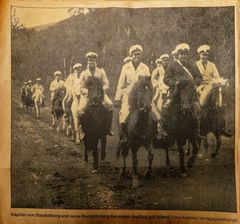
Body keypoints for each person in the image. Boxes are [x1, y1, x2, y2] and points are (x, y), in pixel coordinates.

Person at [164, 43, 202, 136]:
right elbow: (166, 79)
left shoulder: (192, 64)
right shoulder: (172, 65)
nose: (183, 56)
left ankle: (198, 130)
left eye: (185, 54)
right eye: (181, 54)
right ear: (178, 55)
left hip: (190, 92)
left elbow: (199, 77)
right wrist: (174, 83)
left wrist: (194, 83)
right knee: (167, 109)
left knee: (198, 110)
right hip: (177, 91)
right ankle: (166, 130)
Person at [114, 44, 151, 141]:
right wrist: (118, 98)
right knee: (124, 112)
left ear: (141, 55)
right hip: (128, 94)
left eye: (138, 54)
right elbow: (121, 83)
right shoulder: (126, 67)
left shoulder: (145, 67)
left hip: (142, 94)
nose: (136, 56)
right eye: (134, 54)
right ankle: (123, 136)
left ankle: (155, 132)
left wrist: (149, 96)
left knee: (153, 111)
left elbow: (149, 83)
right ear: (131, 56)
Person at [78, 51, 114, 136]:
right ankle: (82, 129)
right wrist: (86, 92)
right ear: (87, 61)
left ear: (95, 61)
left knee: (110, 105)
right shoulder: (84, 73)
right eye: (90, 60)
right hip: (88, 96)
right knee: (79, 110)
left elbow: (106, 83)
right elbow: (80, 86)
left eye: (93, 60)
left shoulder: (101, 72)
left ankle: (108, 127)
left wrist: (102, 89)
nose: (91, 62)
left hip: (99, 94)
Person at [151, 54, 170, 138]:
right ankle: (160, 130)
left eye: (166, 60)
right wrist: (158, 84)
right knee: (159, 108)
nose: (165, 62)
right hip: (161, 89)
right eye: (163, 60)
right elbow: (153, 78)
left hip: (170, 88)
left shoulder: (170, 68)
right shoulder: (159, 69)